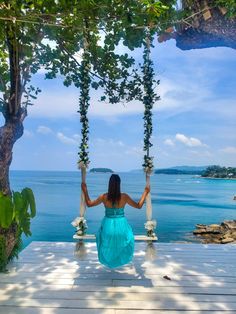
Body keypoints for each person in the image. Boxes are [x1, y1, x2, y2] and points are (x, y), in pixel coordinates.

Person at [81, 174, 150, 268]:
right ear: (119, 185)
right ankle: (119, 259)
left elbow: (89, 204)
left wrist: (85, 190)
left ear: (109, 184)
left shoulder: (104, 197)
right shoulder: (124, 197)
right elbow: (138, 206)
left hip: (108, 225)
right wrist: (145, 192)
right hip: (121, 224)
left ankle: (109, 259)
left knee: (103, 237)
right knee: (127, 236)